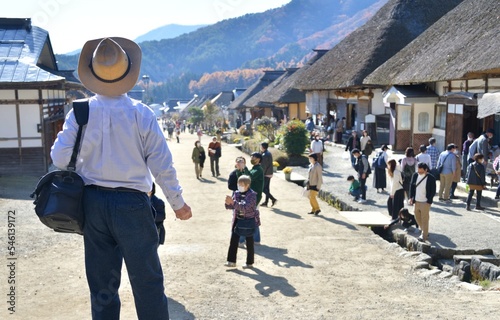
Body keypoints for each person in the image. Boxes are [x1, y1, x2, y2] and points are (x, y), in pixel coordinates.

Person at [51, 37, 192, 319]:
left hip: (92, 202)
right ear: (128, 71)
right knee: (147, 281)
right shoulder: (141, 113)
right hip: (132, 204)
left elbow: (59, 158)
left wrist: (85, 160)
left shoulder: (79, 112)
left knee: (102, 284)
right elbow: (160, 163)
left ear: (93, 73)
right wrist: (177, 202)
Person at [224, 175, 261, 269]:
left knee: (249, 242)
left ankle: (249, 263)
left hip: (248, 220)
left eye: (241, 184)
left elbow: (245, 207)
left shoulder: (252, 195)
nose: (239, 186)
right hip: (237, 219)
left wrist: (233, 203)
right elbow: (233, 206)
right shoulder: (236, 193)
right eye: (238, 184)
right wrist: (228, 203)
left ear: (247, 185)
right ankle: (231, 261)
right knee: (233, 240)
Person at [408, 163, 436, 242]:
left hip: (425, 201)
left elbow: (432, 191)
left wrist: (429, 201)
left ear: (426, 170)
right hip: (416, 200)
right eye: (418, 171)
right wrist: (411, 197)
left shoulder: (431, 178)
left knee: (425, 218)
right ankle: (424, 231)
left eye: (421, 171)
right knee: (417, 217)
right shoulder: (415, 175)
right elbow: (412, 186)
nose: (419, 173)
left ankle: (423, 236)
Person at [248, 152, 264, 244]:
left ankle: (256, 239)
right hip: (253, 196)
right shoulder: (255, 168)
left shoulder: (258, 170)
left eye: (253, 157)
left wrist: (244, 168)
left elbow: (249, 177)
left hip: (255, 197)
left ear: (258, 159)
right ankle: (254, 238)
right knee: (252, 217)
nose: (252, 158)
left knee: (253, 217)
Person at [260, 142, 278, 207]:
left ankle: (273, 199)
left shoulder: (265, 155)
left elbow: (264, 166)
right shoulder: (267, 153)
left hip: (266, 174)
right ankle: (266, 202)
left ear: (262, 147)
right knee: (267, 188)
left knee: (263, 188)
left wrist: (261, 174)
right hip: (269, 173)